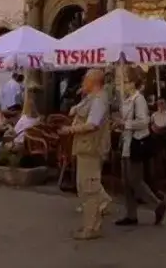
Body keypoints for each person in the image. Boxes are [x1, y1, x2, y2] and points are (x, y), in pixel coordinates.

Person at [60, 68, 112, 241]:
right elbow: (75, 111)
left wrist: (70, 129)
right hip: (85, 147)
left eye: (85, 80)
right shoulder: (91, 98)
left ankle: (92, 228)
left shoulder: (99, 100)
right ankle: (91, 223)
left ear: (94, 81)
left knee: (89, 188)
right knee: (85, 187)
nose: (83, 82)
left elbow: (92, 125)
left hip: (91, 148)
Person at [117, 69, 166, 228]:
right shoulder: (126, 99)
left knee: (135, 180)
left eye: (125, 81)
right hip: (126, 142)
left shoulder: (139, 100)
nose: (122, 84)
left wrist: (126, 124)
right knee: (126, 181)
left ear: (132, 83)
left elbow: (144, 122)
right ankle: (131, 214)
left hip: (136, 143)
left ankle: (157, 204)